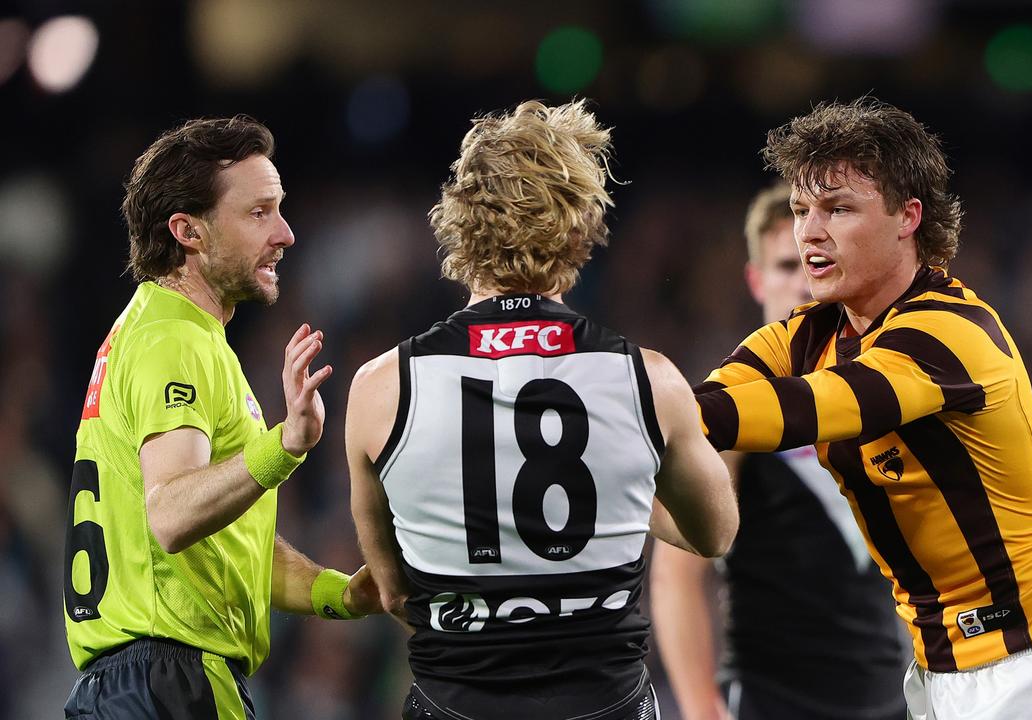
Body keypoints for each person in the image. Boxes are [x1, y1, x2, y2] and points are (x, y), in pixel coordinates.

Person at [694, 98, 1032, 720]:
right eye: (803, 210)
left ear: (908, 217)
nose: (809, 233)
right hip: (938, 679)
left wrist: (637, 403)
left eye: (838, 209)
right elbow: (707, 405)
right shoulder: (806, 335)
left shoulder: (949, 330)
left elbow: (803, 408)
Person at [344, 99, 738, 720]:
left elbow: (393, 590)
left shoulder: (381, 387)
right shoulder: (650, 381)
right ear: (580, 229)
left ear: (458, 222)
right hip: (604, 703)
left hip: (456, 703)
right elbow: (714, 534)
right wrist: (623, 493)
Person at [62, 115, 381, 720]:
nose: (285, 233)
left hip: (141, 681)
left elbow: (226, 545)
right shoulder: (173, 341)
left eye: (280, 208)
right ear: (188, 231)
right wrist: (284, 446)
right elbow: (174, 514)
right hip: (168, 678)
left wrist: (337, 594)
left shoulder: (163, 332)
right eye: (258, 213)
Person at [650, 183, 907, 720]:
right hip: (775, 703)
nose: (803, 282)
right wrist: (701, 709)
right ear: (755, 279)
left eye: (815, 263)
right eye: (788, 265)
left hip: (891, 699)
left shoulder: (879, 393)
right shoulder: (730, 409)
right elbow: (677, 576)